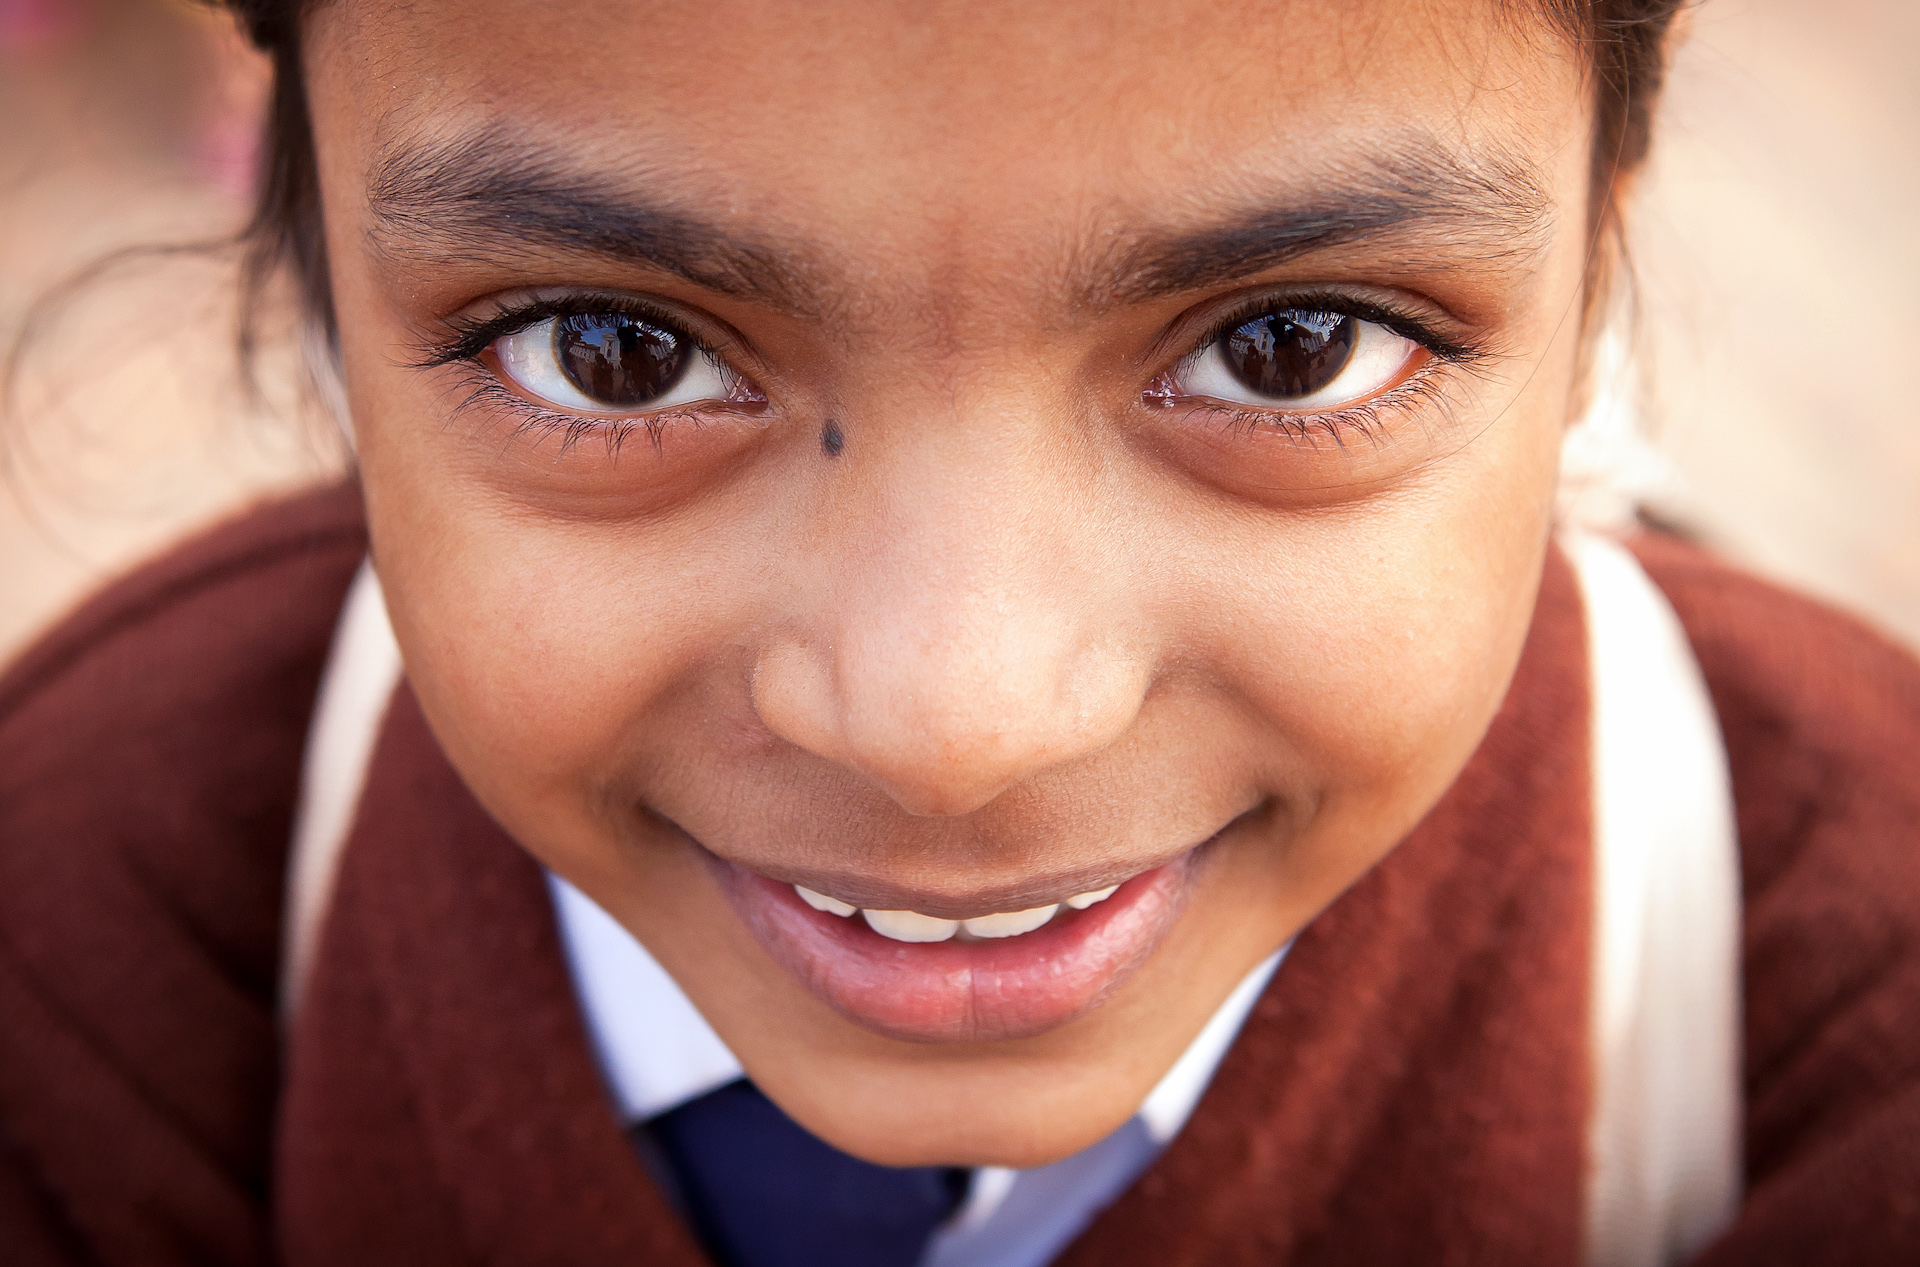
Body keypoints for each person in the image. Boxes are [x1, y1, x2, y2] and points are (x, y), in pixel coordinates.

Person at [2, 1, 1917, 1264]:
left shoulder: (1850, 996)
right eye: (616, 350)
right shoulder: (82, 934)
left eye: (1289, 344)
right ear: (328, 285)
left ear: (1595, 282)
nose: (956, 724)